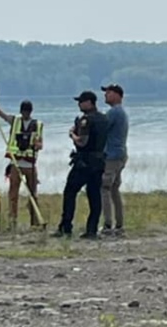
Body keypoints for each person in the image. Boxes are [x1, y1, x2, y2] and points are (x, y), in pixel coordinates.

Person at [53, 90, 109, 239]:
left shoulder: (86, 120)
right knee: (94, 196)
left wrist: (72, 134)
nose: (79, 104)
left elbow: (81, 142)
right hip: (99, 162)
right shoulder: (104, 119)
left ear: (89, 102)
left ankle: (66, 227)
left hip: (84, 162)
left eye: (81, 101)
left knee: (70, 191)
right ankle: (92, 229)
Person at [0, 100, 44, 229]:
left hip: (30, 164)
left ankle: (34, 222)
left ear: (31, 112)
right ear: (21, 111)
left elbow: (40, 144)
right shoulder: (15, 121)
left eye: (28, 111)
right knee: (13, 194)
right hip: (16, 164)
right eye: (24, 111)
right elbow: (2, 115)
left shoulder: (38, 125)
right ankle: (12, 222)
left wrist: (37, 145)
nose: (25, 114)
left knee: (33, 194)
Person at [100, 83, 129, 236]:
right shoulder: (121, 113)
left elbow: (101, 128)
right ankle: (119, 224)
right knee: (114, 190)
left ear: (117, 95)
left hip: (111, 155)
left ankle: (108, 224)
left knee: (105, 188)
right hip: (121, 154)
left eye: (109, 92)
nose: (106, 95)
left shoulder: (114, 112)